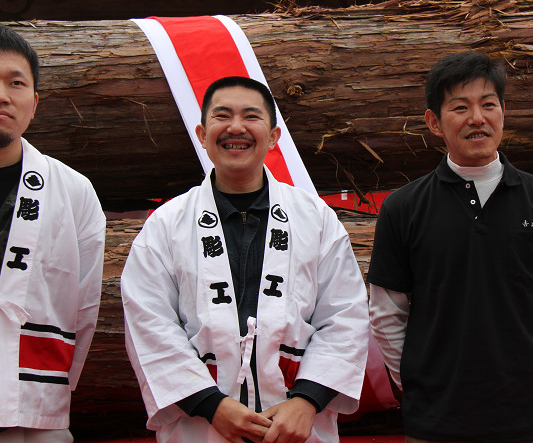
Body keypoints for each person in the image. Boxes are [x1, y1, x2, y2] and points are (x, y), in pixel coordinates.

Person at [368, 51, 533, 443]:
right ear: (434, 122)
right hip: (436, 425)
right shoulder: (403, 208)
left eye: (488, 104)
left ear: (503, 113)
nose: (477, 118)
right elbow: (386, 313)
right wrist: (418, 385)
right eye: (460, 107)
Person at [121, 76, 369, 443]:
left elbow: (345, 315)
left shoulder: (314, 218)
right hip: (201, 427)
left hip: (297, 427)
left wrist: (307, 401)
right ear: (202, 135)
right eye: (222, 116)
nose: (236, 127)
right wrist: (210, 405)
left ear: (273, 137)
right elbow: (148, 321)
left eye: (251, 116)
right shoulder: (166, 225)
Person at [0, 26, 106, 442]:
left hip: (34, 404)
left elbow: (86, 303)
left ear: (35, 103)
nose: (3, 95)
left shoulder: (72, 191)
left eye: (16, 83)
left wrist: (55, 387)